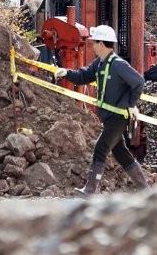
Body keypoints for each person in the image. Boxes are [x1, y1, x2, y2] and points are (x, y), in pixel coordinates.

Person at [53, 25, 151, 196]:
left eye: (94, 42)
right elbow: (83, 77)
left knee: (101, 148)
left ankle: (90, 191)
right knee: (121, 153)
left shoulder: (119, 65)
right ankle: (147, 192)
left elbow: (139, 82)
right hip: (108, 117)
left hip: (118, 117)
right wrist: (66, 73)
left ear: (101, 44)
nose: (92, 45)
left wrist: (131, 103)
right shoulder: (99, 64)